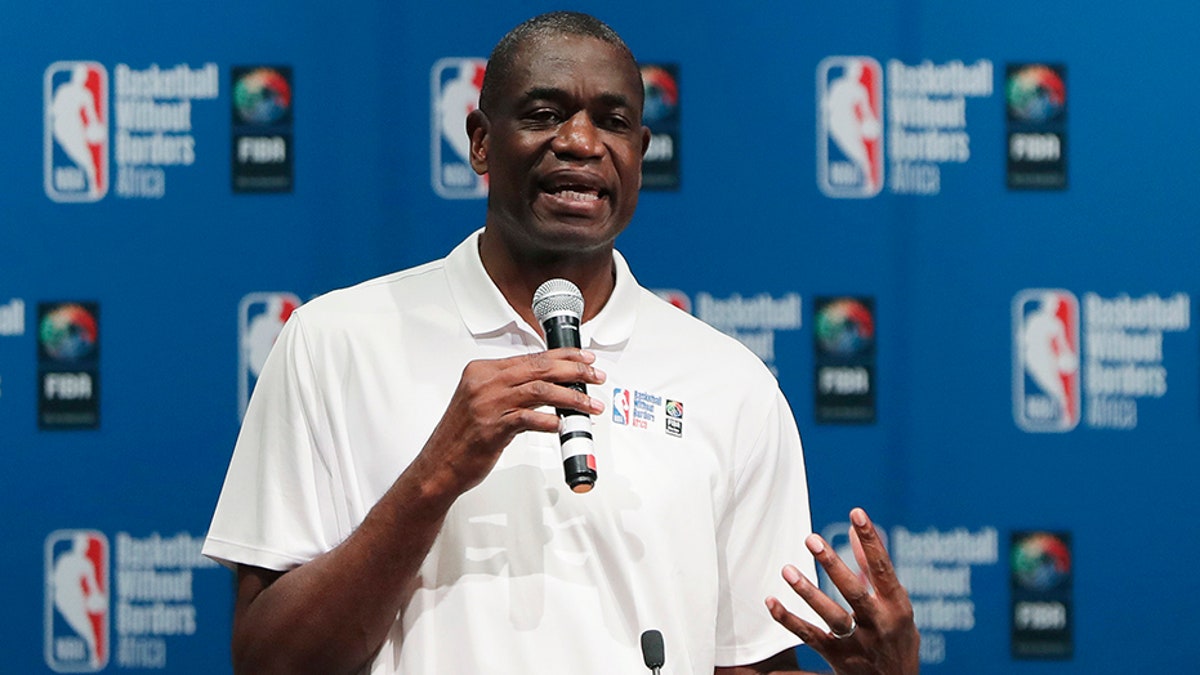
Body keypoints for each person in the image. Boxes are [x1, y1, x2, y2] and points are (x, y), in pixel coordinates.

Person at [202, 11, 918, 675]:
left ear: (640, 153)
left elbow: (744, 663)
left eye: (613, 122)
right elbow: (269, 658)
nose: (580, 142)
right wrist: (436, 475)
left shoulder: (728, 382)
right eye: (545, 114)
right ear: (481, 139)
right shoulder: (335, 342)